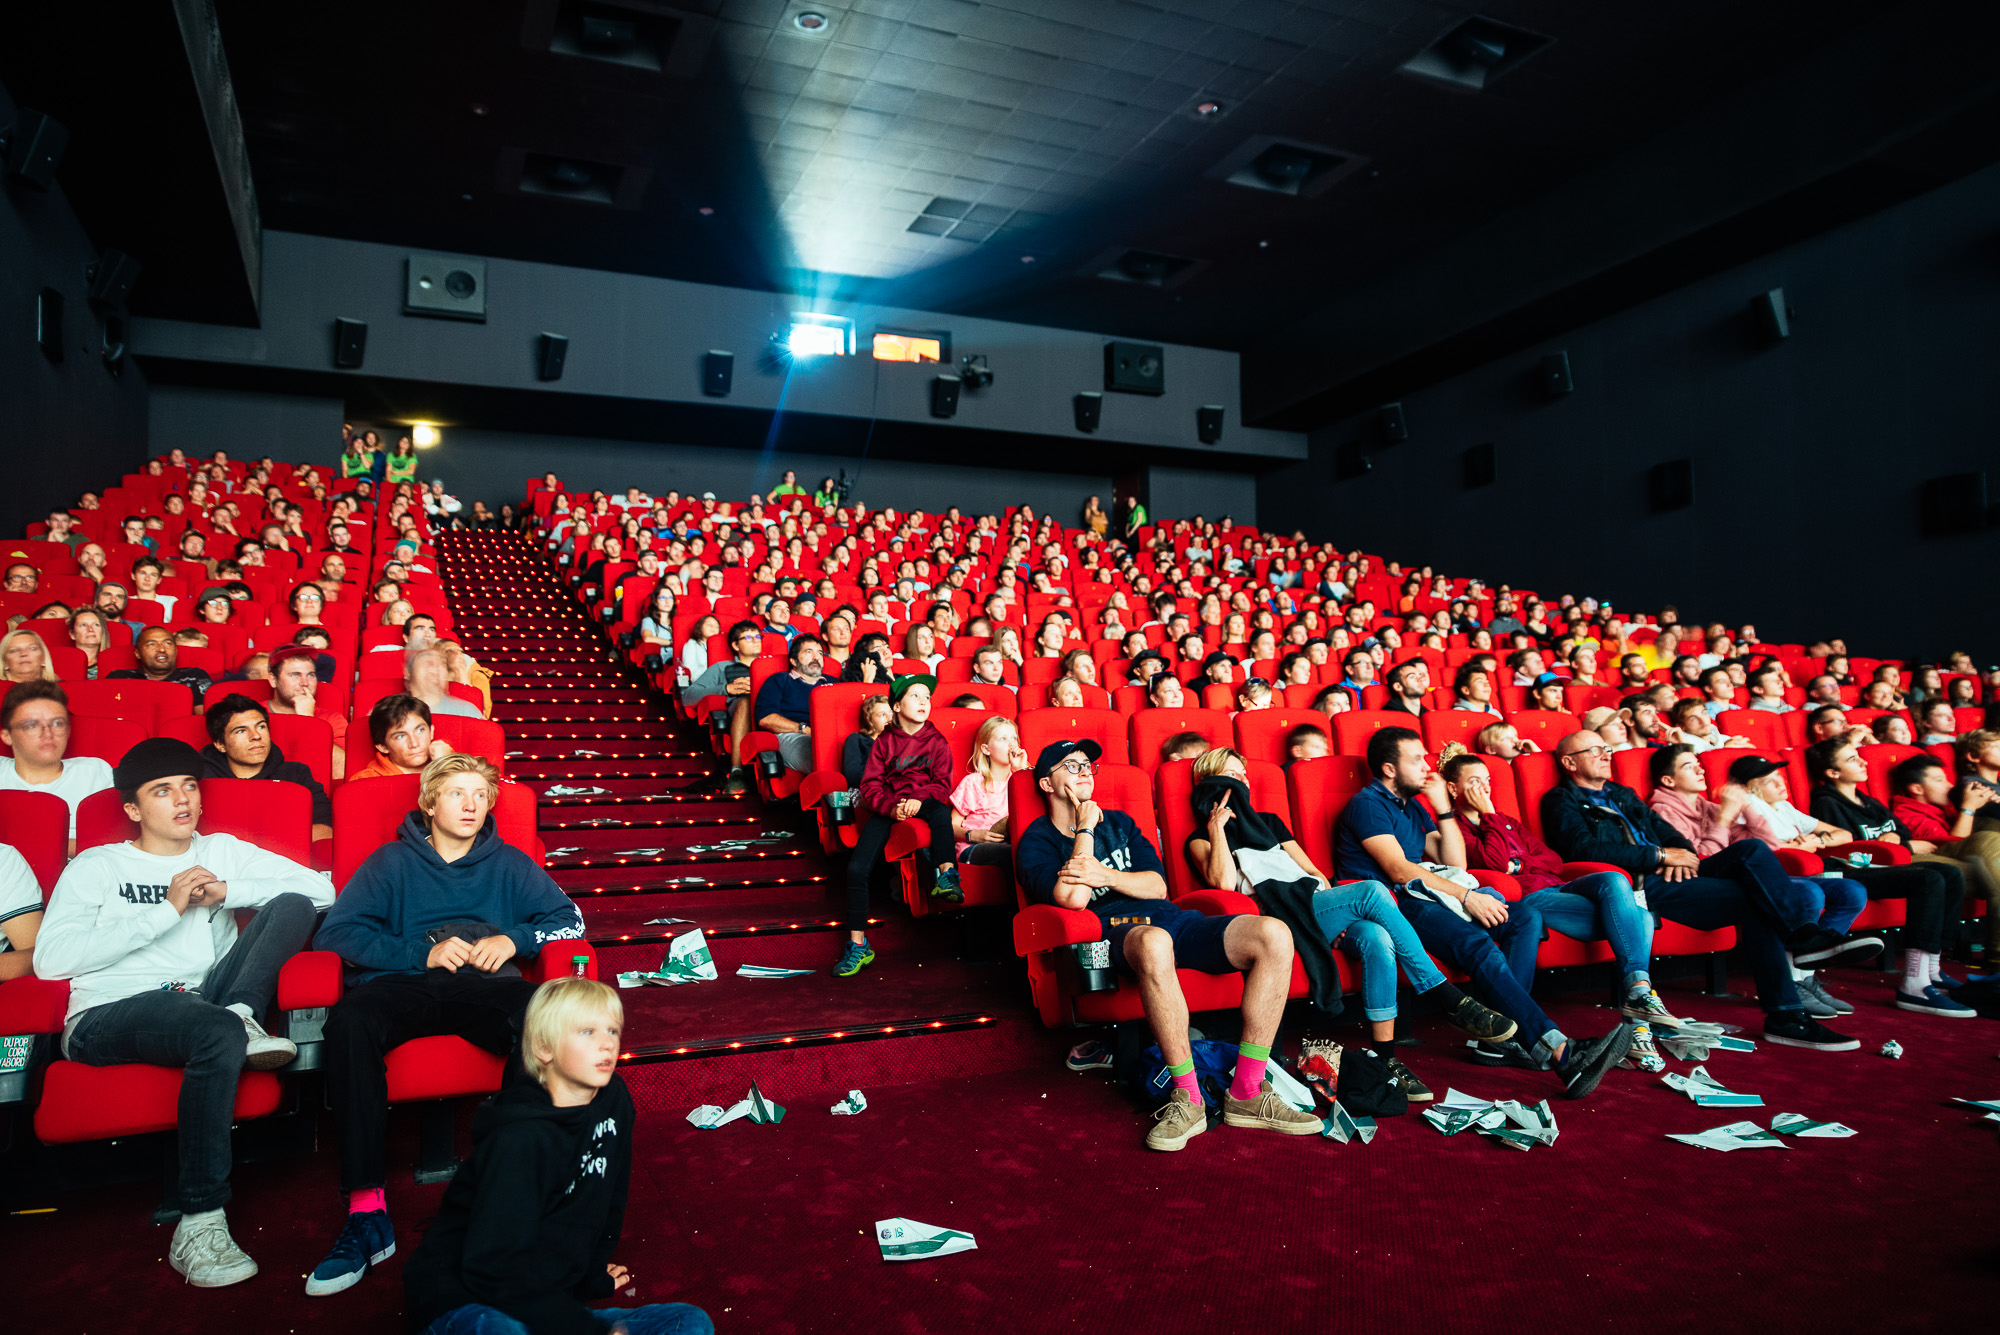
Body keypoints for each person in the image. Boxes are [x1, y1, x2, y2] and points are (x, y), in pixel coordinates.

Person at [34, 738, 329, 1287]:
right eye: (162, 791)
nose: (182, 800)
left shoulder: (219, 850)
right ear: (132, 809)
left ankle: (242, 1013)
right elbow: (51, 961)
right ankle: (200, 1220)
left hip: (207, 1000)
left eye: (190, 786)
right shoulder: (98, 865)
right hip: (109, 1012)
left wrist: (228, 891)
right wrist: (165, 911)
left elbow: (320, 890)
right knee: (211, 1026)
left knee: (289, 904)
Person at [308, 754, 588, 1298]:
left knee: (547, 1020)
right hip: (403, 982)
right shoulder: (391, 862)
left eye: (481, 796)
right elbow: (336, 934)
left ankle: (510, 1200)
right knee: (348, 1025)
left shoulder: (508, 862)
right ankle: (366, 1212)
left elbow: (570, 920)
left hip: (486, 985)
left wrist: (515, 940)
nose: (471, 805)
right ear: (429, 802)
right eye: (458, 793)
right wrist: (419, 952)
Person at [1018, 738, 1319, 1149]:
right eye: (1071, 766)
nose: (1085, 770)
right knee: (1155, 941)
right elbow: (1072, 898)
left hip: (1173, 920)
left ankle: (1247, 1093)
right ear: (1047, 784)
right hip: (1112, 934)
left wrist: (1105, 875)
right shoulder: (1037, 839)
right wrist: (1085, 827)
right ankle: (1187, 1098)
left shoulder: (1121, 822)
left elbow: (1157, 886)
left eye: (1088, 764)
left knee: (1273, 933)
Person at [1187, 748, 1515, 1103]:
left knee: (1376, 936)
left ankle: (1385, 1059)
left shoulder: (1270, 822)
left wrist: (1335, 913)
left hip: (1312, 907)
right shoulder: (1201, 837)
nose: (1242, 782)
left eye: (1243, 775)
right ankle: (1443, 994)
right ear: (1211, 784)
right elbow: (1221, 881)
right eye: (1231, 776)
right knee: (1373, 891)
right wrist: (1217, 828)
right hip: (1273, 920)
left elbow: (1313, 873)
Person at [401, 975, 711, 1335]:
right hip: (467, 1301)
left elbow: (609, 1191)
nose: (607, 1044)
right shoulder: (519, 1138)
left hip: (544, 1300)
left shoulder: (614, 1098)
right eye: (587, 1033)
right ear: (544, 1049)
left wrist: (590, 1278)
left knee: (688, 1322)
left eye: (612, 1030)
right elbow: (492, 1269)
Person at [1333, 728, 1631, 1096]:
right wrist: (1467, 898)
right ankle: (1561, 1053)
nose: (1427, 767)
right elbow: (1397, 870)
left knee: (1523, 917)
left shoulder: (1410, 808)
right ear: (1389, 769)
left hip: (1423, 893)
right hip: (1394, 903)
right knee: (1480, 945)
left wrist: (1442, 808)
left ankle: (1507, 1038)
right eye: (1416, 759)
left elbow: (1453, 860)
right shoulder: (1368, 804)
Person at [1542, 731, 1876, 1050]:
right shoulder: (1561, 800)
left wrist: (1680, 852)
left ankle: (1799, 944)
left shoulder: (1622, 794)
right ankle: (1787, 1012)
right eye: (1594, 751)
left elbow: (1673, 837)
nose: (1605, 755)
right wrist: (1659, 855)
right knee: (1755, 901)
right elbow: (1585, 850)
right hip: (1645, 883)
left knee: (1753, 850)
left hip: (1680, 870)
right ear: (1570, 763)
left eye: (1607, 749)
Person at [1439, 747, 1686, 1034]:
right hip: (1530, 897)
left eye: (1487, 781)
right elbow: (1492, 862)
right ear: (1453, 788)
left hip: (1559, 885)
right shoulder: (1457, 829)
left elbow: (1553, 861)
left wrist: (1517, 864)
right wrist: (1488, 815)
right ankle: (1639, 1016)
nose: (1484, 789)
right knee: (1640, 918)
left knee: (1615, 880)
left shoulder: (1509, 821)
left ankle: (1638, 992)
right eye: (1474, 782)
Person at [1642, 744, 1861, 1019]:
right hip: (1698, 881)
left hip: (1737, 874)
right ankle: (1797, 975)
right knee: (1807, 891)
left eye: (1699, 762)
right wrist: (1726, 815)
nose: (1700, 768)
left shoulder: (1705, 806)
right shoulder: (1661, 810)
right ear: (1668, 780)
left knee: (1850, 890)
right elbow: (1698, 858)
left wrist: (1746, 806)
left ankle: (1807, 970)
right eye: (1689, 765)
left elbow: (1769, 847)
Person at [1802, 737, 1972, 1017]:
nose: (1863, 761)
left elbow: (1902, 831)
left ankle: (1933, 970)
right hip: (1852, 871)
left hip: (1882, 865)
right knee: (1928, 879)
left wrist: (1896, 841)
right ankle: (1914, 984)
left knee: (1950, 874)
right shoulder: (1827, 803)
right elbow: (1850, 847)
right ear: (1833, 773)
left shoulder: (1869, 801)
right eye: (1851, 759)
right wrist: (1897, 844)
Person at [843, 676, 959, 974]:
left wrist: (918, 799)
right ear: (896, 706)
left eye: (927, 697)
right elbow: (870, 785)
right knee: (857, 868)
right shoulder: (884, 742)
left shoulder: (937, 741)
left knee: (941, 813)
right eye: (916, 696)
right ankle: (858, 945)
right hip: (890, 806)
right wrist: (892, 808)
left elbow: (942, 785)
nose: (924, 702)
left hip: (926, 800)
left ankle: (946, 875)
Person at [1890, 752, 2000, 960]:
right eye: (1940, 780)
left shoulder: (1942, 809)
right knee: (1990, 841)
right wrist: (1968, 809)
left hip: (1968, 862)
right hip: (1931, 863)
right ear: (1917, 789)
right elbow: (1952, 843)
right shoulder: (1909, 813)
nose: (1949, 785)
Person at [198, 694, 334, 842]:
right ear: (220, 745)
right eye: (241, 730)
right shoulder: (200, 781)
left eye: (261, 726)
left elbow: (325, 829)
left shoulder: (296, 774)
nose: (256, 736)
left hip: (284, 861)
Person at [0, 681, 115, 854]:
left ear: (68, 730)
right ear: (6, 736)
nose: (47, 733)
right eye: (32, 725)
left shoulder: (94, 773)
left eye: (57, 723)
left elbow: (112, 846)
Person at [681, 620, 764, 791]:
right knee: (746, 700)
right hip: (741, 710)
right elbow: (688, 697)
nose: (756, 640)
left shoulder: (773, 667)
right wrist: (726, 688)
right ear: (735, 645)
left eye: (758, 636)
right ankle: (736, 772)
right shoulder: (722, 668)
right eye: (748, 637)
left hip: (770, 711)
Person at [950, 715, 1024, 868]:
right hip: (973, 847)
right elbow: (950, 827)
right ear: (986, 749)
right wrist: (972, 835)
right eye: (1003, 739)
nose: (1011, 745)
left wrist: (1021, 769)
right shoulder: (973, 782)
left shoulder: (1020, 781)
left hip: (1010, 844)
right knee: (1018, 853)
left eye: (1014, 739)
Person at [754, 634, 828, 773]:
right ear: (793, 660)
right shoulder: (779, 680)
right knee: (819, 752)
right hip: (794, 734)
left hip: (829, 736)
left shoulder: (834, 683)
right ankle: (842, 794)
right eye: (808, 652)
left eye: (820, 653)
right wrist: (804, 729)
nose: (816, 657)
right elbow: (766, 719)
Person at [348, 694, 454, 783]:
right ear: (382, 746)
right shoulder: (364, 781)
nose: (414, 743)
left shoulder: (455, 764)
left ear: (431, 732)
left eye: (420, 730)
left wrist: (446, 764)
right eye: (401, 736)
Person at [107, 625, 212, 711]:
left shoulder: (194, 676)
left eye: (167, 643)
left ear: (176, 650)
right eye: (151, 644)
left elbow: (204, 719)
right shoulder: (119, 678)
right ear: (137, 653)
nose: (161, 649)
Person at [407, 645, 485, 720]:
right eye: (429, 663)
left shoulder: (468, 712)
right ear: (408, 672)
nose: (437, 669)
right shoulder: (396, 710)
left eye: (442, 663)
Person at [841, 694, 893, 789]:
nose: (890, 719)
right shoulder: (856, 740)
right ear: (870, 720)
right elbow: (852, 776)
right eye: (882, 715)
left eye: (892, 713)